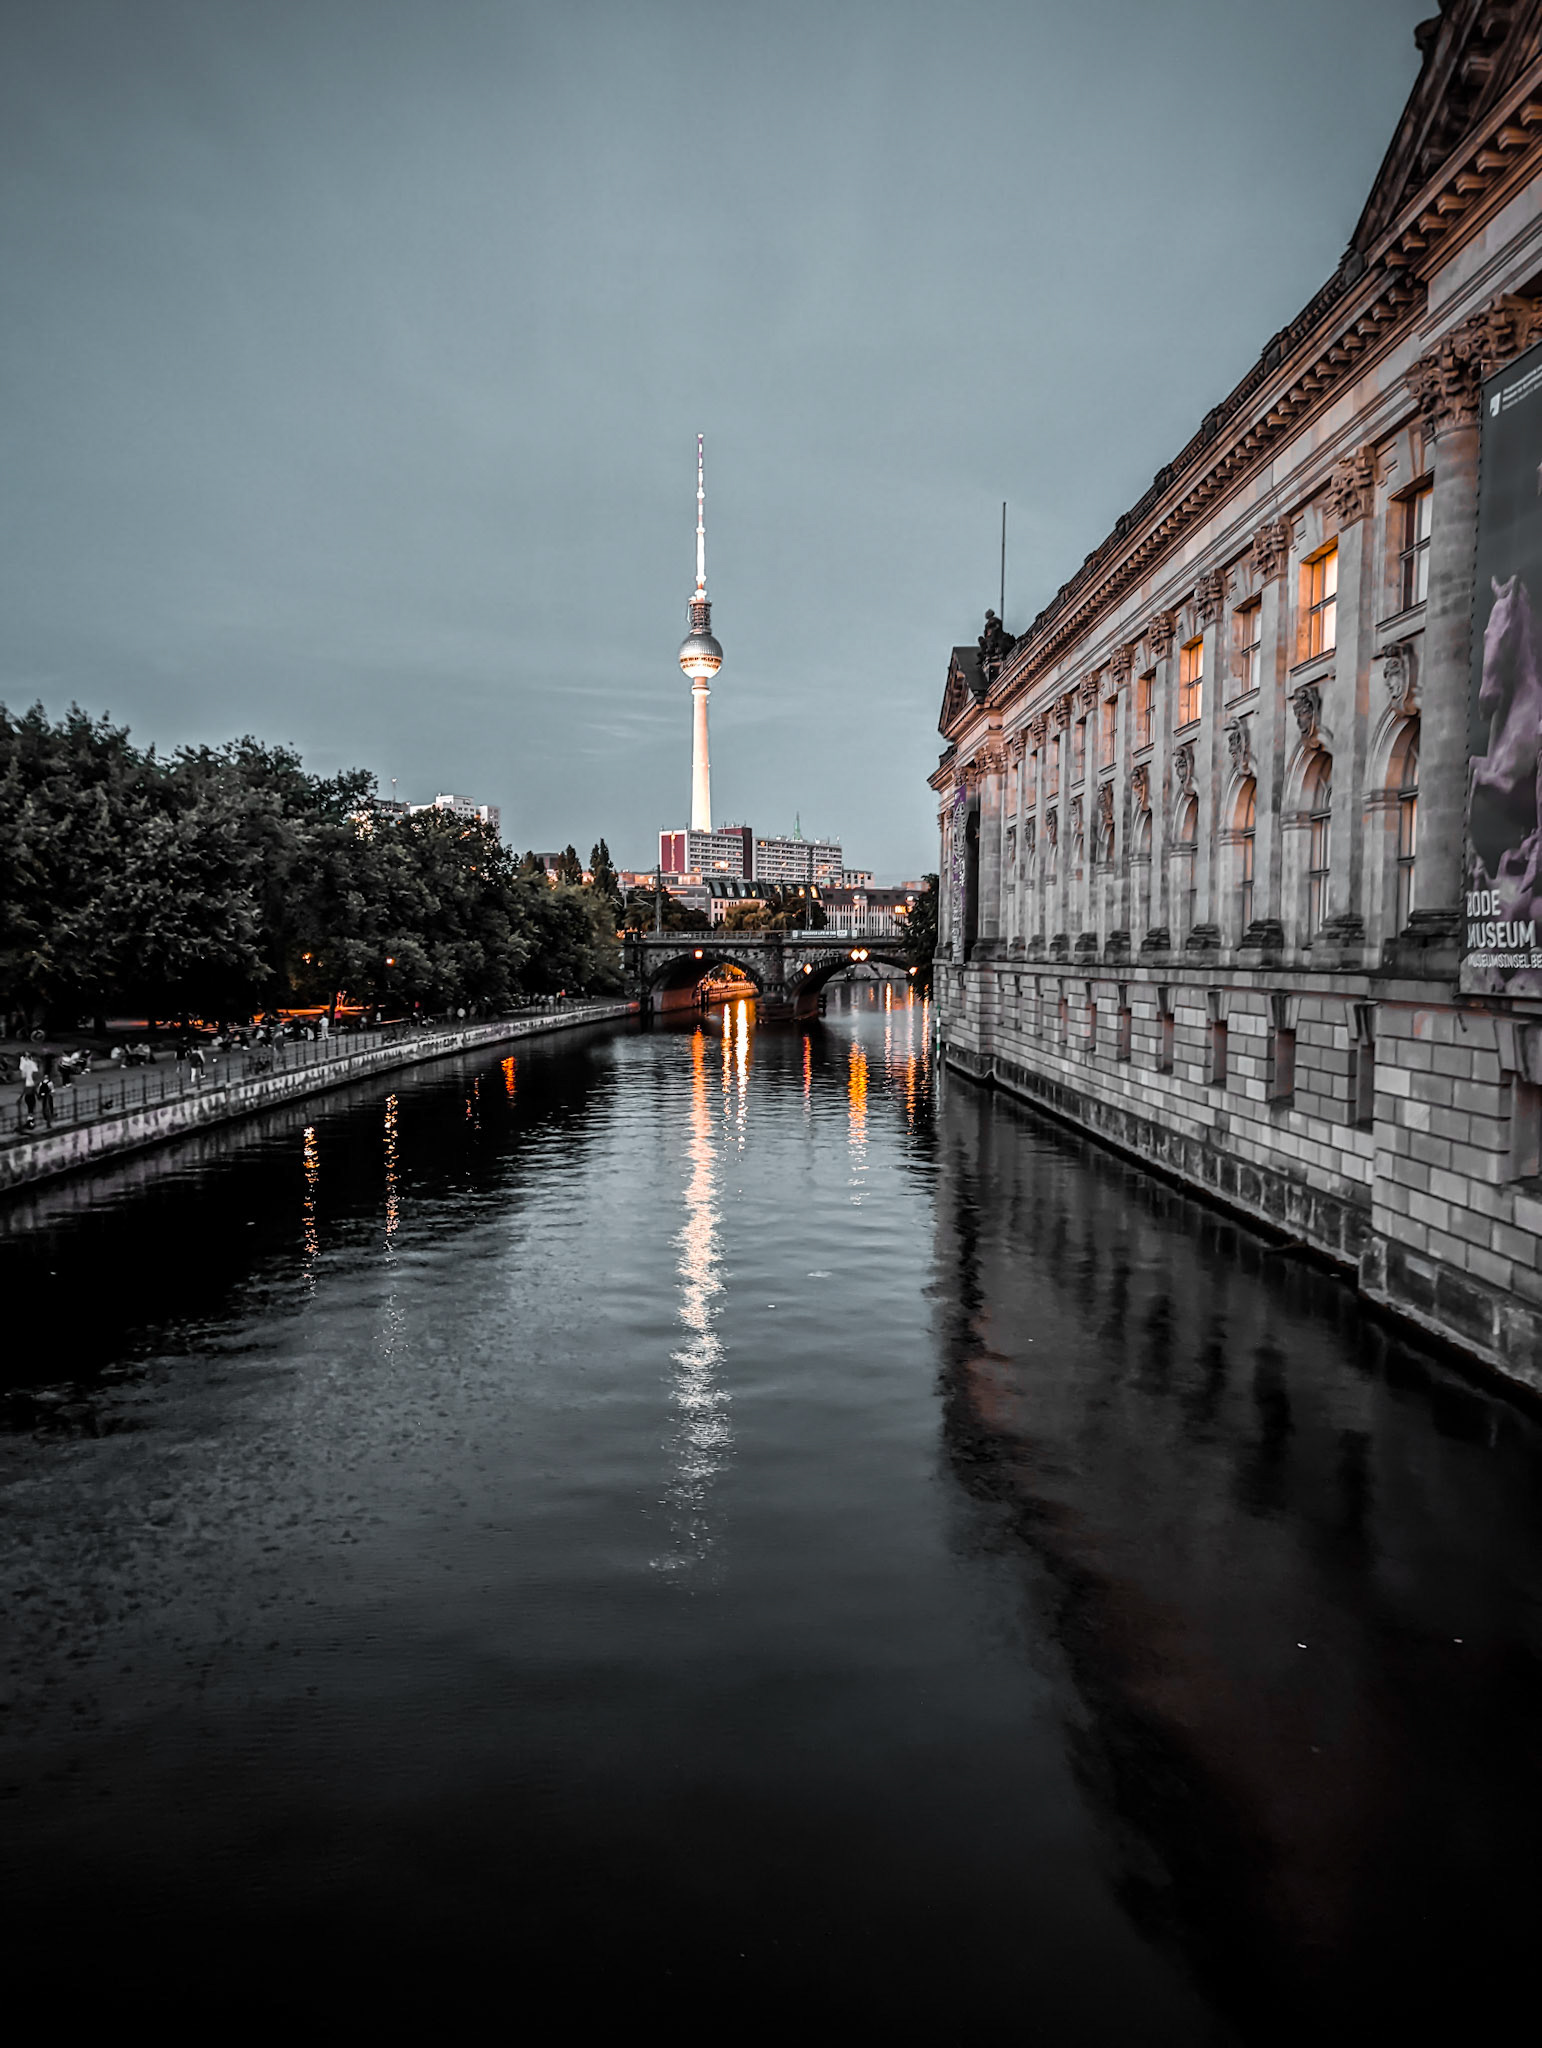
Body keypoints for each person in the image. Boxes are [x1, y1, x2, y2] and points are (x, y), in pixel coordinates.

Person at [17, 1048, 39, 1130]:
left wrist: (20, 1097)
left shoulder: (26, 1064)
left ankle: (30, 1120)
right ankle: (30, 1121)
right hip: (30, 1093)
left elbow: (23, 1076)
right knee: (31, 1108)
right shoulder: (31, 1064)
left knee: (30, 1108)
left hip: (28, 1093)